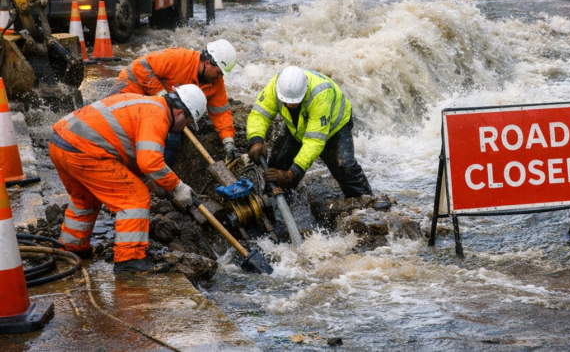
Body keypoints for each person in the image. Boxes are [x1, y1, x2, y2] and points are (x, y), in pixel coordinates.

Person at [50, 85, 206, 274]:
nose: (184, 128)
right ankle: (129, 260)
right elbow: (151, 163)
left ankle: (72, 248)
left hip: (61, 142)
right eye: (187, 123)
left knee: (85, 199)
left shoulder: (147, 103)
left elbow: (131, 152)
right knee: (135, 198)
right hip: (83, 150)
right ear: (180, 113)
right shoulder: (158, 117)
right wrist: (178, 187)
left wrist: (153, 182)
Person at [247, 66, 373, 198]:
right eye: (286, 102)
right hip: (297, 127)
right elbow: (260, 114)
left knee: (345, 168)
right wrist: (256, 140)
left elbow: (314, 141)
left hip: (334, 128)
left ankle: (368, 205)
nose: (289, 105)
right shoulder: (277, 85)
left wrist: (292, 173)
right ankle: (280, 202)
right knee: (277, 166)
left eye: (294, 102)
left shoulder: (320, 94)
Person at [109, 41, 238, 165]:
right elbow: (139, 67)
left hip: (163, 111)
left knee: (171, 139)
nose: (221, 77)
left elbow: (221, 113)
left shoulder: (216, 82)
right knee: (118, 128)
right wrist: (162, 96)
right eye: (219, 72)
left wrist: (228, 141)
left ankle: (158, 180)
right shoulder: (178, 58)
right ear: (208, 63)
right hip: (133, 90)